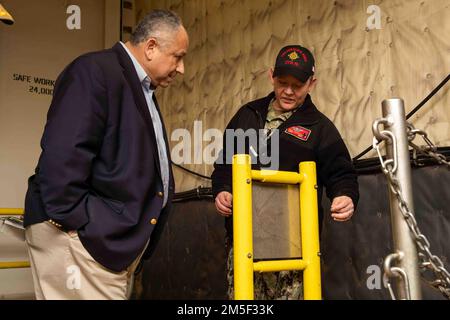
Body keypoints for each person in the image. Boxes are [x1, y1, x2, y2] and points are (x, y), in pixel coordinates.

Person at [23, 9, 189, 300]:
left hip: (106, 241)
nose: (182, 68)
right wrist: (76, 227)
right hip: (80, 239)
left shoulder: (138, 87)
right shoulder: (95, 71)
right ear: (151, 47)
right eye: (178, 56)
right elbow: (64, 153)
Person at [211, 45, 359, 299]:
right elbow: (224, 166)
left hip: (295, 244)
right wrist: (222, 191)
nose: (288, 91)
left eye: (297, 85)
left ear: (312, 84)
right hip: (245, 238)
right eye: (282, 82)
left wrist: (345, 196)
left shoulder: (319, 127)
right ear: (271, 76)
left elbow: (342, 174)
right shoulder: (247, 116)